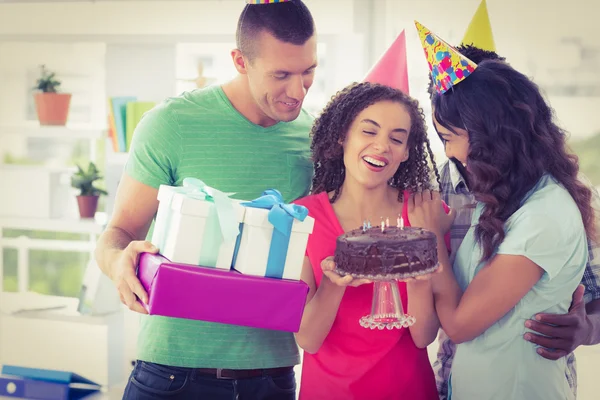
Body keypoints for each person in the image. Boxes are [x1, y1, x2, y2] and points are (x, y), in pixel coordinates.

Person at [94, 1, 318, 398]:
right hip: (171, 375)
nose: (297, 91)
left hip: (272, 377)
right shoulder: (171, 124)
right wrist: (117, 263)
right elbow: (119, 232)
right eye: (281, 74)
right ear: (240, 61)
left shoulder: (314, 138)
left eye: (308, 72)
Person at [412, 26, 597, 399]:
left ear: (489, 131)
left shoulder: (546, 210)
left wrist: (430, 240)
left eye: (450, 137)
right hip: (457, 380)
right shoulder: (492, 195)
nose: (447, 153)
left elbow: (462, 323)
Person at [293, 81, 443, 400]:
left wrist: (418, 282)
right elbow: (308, 339)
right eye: (369, 131)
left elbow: (423, 337)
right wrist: (336, 282)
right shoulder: (301, 217)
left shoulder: (426, 214)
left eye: (396, 138)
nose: (381, 146)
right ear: (342, 135)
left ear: (405, 153)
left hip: (408, 391)